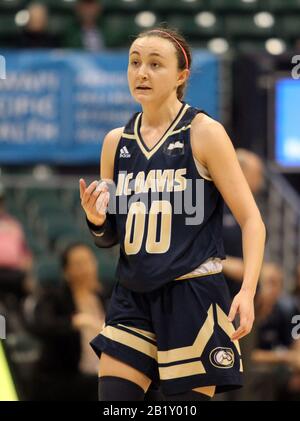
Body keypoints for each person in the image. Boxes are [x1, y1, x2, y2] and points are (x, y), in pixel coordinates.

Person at [79, 27, 266, 401]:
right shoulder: (115, 142)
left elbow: (252, 220)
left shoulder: (204, 133)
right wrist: (97, 221)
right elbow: (110, 237)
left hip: (192, 296)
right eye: (134, 63)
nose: (141, 73)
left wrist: (247, 291)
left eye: (154, 64)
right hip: (131, 296)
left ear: (181, 75)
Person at [24, 242, 107, 400]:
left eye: (89, 261)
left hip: (101, 375)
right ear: (66, 271)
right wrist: (75, 322)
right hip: (65, 379)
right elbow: (41, 326)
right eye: (78, 264)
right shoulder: (54, 297)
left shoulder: (104, 297)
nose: (86, 269)